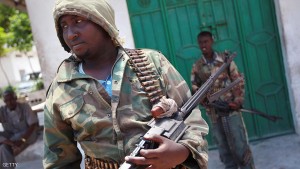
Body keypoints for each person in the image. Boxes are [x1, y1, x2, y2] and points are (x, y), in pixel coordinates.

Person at [43, 0, 209, 168]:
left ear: (102, 22)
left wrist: (182, 152)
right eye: (64, 26)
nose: (71, 34)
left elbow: (190, 117)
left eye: (78, 21)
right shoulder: (60, 88)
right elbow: (57, 160)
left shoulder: (151, 62)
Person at [191, 31, 255, 169]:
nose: (203, 45)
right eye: (201, 42)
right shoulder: (197, 66)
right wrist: (203, 99)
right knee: (223, 147)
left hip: (231, 109)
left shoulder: (225, 59)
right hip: (214, 113)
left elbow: (237, 80)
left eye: (206, 42)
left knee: (240, 144)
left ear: (212, 41)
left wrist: (237, 101)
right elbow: (195, 87)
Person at [0, 88, 39, 168]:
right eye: (7, 100)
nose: (9, 102)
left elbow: (33, 125)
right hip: (11, 136)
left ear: (16, 98)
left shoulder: (24, 107)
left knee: (4, 148)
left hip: (26, 134)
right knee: (4, 145)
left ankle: (8, 166)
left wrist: (22, 140)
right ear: (4, 101)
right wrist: (7, 141)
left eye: (11, 99)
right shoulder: (2, 110)